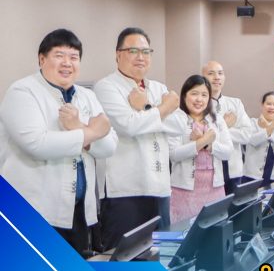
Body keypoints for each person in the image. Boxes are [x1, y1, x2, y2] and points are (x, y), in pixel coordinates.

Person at [0, 29, 117, 254]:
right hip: (33, 211)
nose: (67, 63)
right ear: (41, 59)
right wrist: (91, 132)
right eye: (59, 55)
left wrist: (79, 127)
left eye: (74, 57)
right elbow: (37, 144)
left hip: (78, 212)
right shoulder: (22, 91)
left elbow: (109, 146)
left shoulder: (87, 95)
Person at [94, 27, 178, 246]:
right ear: (118, 54)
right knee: (126, 256)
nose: (141, 57)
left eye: (146, 51)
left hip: (160, 187)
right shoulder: (106, 87)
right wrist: (162, 109)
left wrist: (146, 107)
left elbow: (180, 126)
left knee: (161, 253)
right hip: (125, 190)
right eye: (133, 51)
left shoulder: (158, 87)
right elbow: (128, 126)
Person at [167, 75, 233, 225]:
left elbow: (228, 152)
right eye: (194, 94)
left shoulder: (217, 119)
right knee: (184, 232)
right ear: (185, 95)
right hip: (184, 190)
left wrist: (209, 145)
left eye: (204, 95)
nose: (199, 99)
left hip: (215, 188)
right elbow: (174, 154)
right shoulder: (175, 119)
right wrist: (201, 142)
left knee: (215, 231)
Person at [202, 61, 253, 194]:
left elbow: (247, 134)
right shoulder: (198, 104)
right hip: (207, 171)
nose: (217, 77)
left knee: (235, 205)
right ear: (203, 77)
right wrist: (225, 126)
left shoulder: (235, 103)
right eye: (211, 73)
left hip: (233, 170)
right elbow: (201, 137)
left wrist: (222, 129)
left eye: (220, 73)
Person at [243, 92, 274, 185]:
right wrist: (271, 128)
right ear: (262, 105)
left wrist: (268, 128)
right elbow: (252, 140)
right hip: (252, 176)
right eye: (268, 104)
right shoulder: (252, 122)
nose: (272, 107)